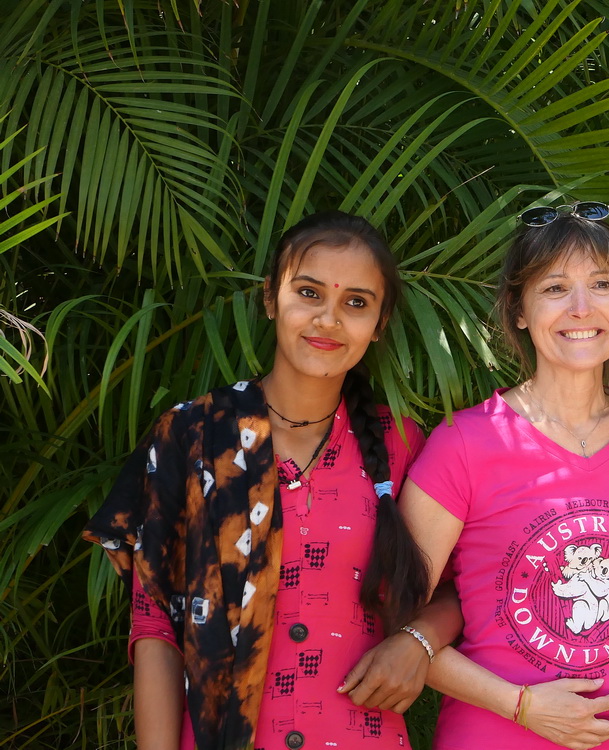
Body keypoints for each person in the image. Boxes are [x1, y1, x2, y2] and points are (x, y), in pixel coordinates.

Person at [83, 211, 439, 749]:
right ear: (272, 299)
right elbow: (156, 623)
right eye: (309, 293)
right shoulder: (192, 435)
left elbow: (466, 587)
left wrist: (419, 641)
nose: (329, 319)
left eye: (356, 303)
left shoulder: (402, 444)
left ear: (380, 322)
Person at [358, 202, 609, 750]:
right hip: (498, 734)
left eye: (601, 284)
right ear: (520, 310)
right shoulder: (465, 445)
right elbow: (395, 623)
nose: (581, 308)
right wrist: (524, 706)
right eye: (555, 288)